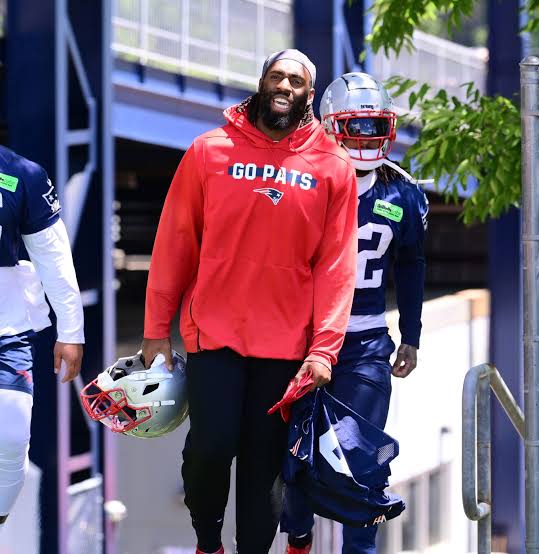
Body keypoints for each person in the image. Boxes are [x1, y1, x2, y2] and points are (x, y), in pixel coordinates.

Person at [141, 49, 358, 554]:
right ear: (261, 82)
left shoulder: (333, 166)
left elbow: (336, 266)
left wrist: (324, 349)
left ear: (309, 94)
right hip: (213, 332)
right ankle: (207, 542)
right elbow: (175, 242)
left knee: (264, 470)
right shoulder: (208, 151)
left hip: (285, 345)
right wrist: (156, 329)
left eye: (297, 81)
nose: (285, 86)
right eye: (277, 76)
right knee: (211, 448)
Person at [280, 73, 429, 554]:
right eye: (355, 127)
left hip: (364, 343)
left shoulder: (402, 194)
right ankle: (298, 539)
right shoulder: (303, 180)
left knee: (361, 462)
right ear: (329, 126)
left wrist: (412, 334)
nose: (365, 138)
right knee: (296, 456)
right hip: (300, 341)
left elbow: (412, 265)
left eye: (373, 126)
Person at [0, 146, 84, 531]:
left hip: (7, 332)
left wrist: (71, 330)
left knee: (14, 434)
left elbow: (52, 255)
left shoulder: (22, 173)